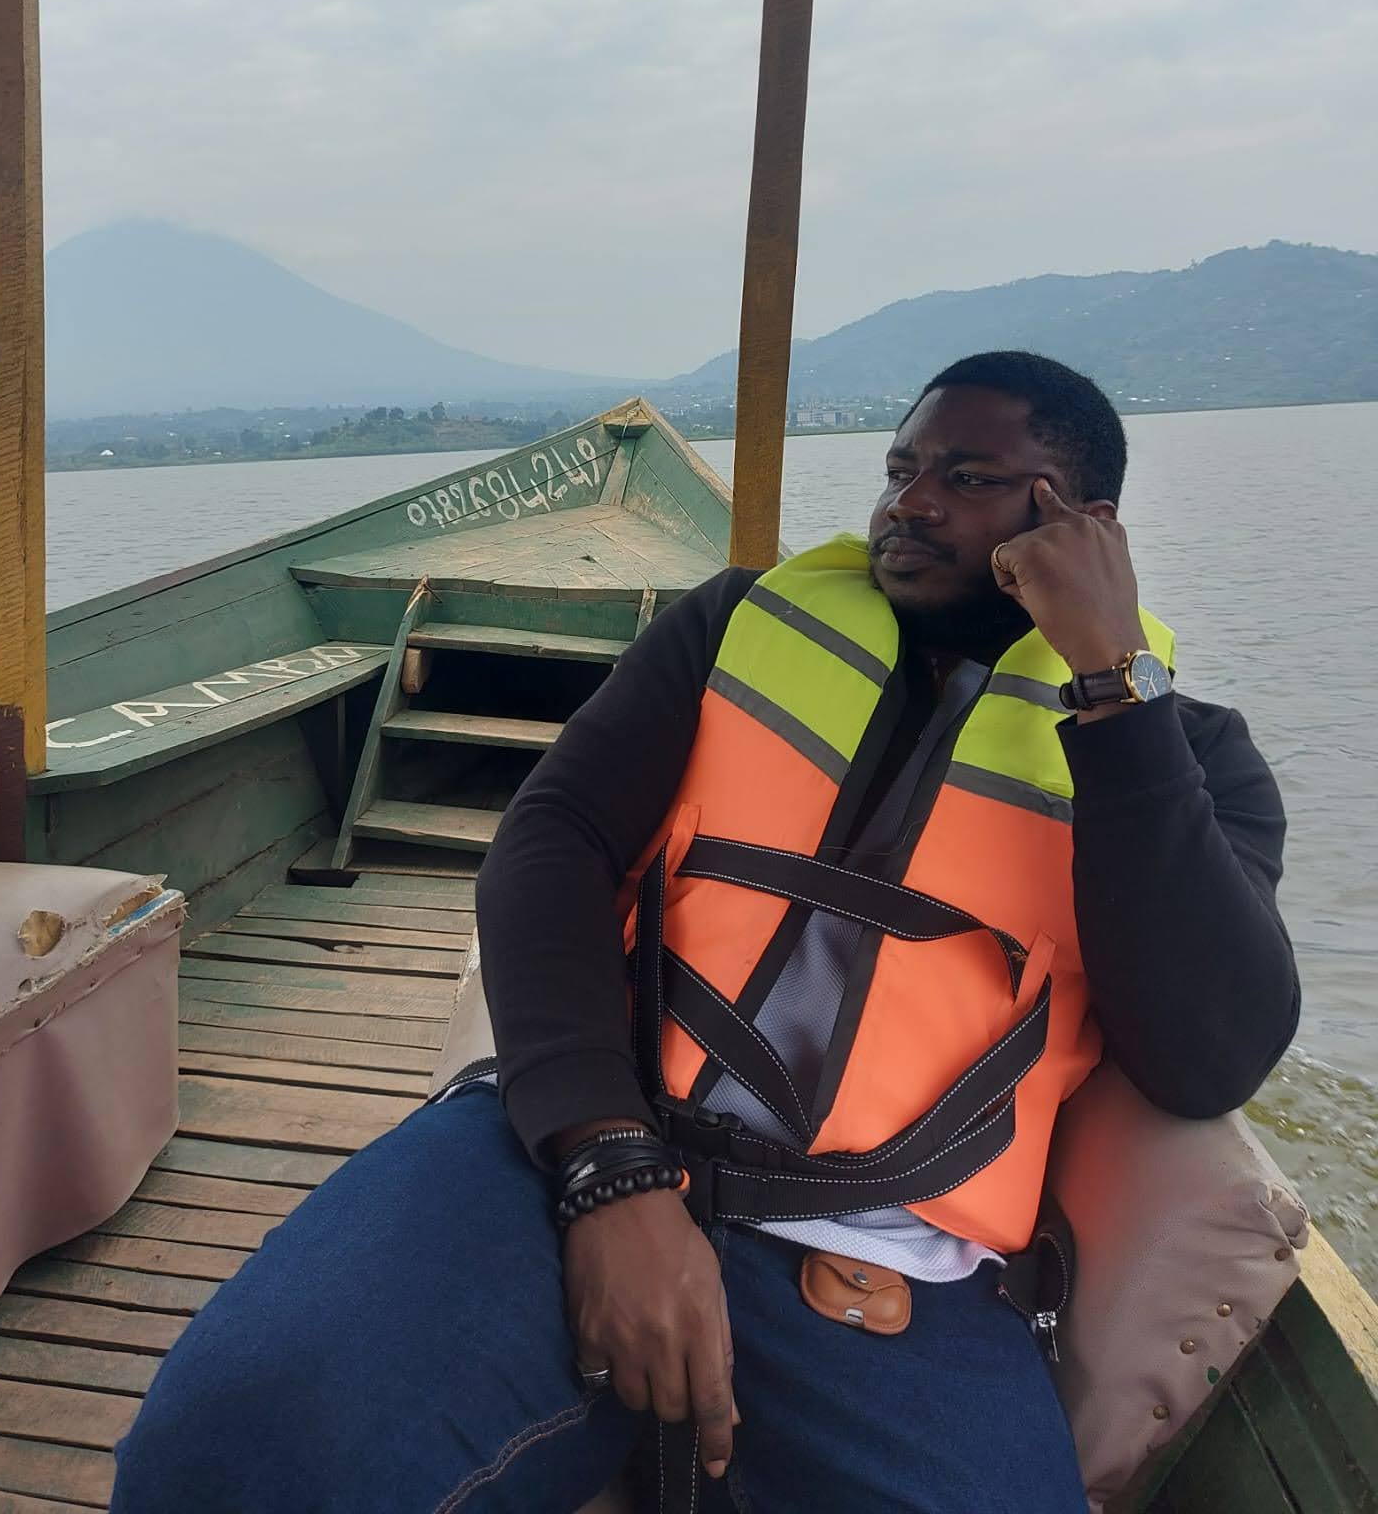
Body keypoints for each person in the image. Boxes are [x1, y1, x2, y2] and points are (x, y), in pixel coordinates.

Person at [112, 351, 1299, 1514]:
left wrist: (1113, 681)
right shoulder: (732, 624)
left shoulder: (1186, 756)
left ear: (1082, 522)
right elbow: (551, 844)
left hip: (891, 1260)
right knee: (233, 1453)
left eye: (970, 476)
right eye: (900, 466)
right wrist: (608, 1167)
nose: (910, 502)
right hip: (573, 1157)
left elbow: (1210, 1052)